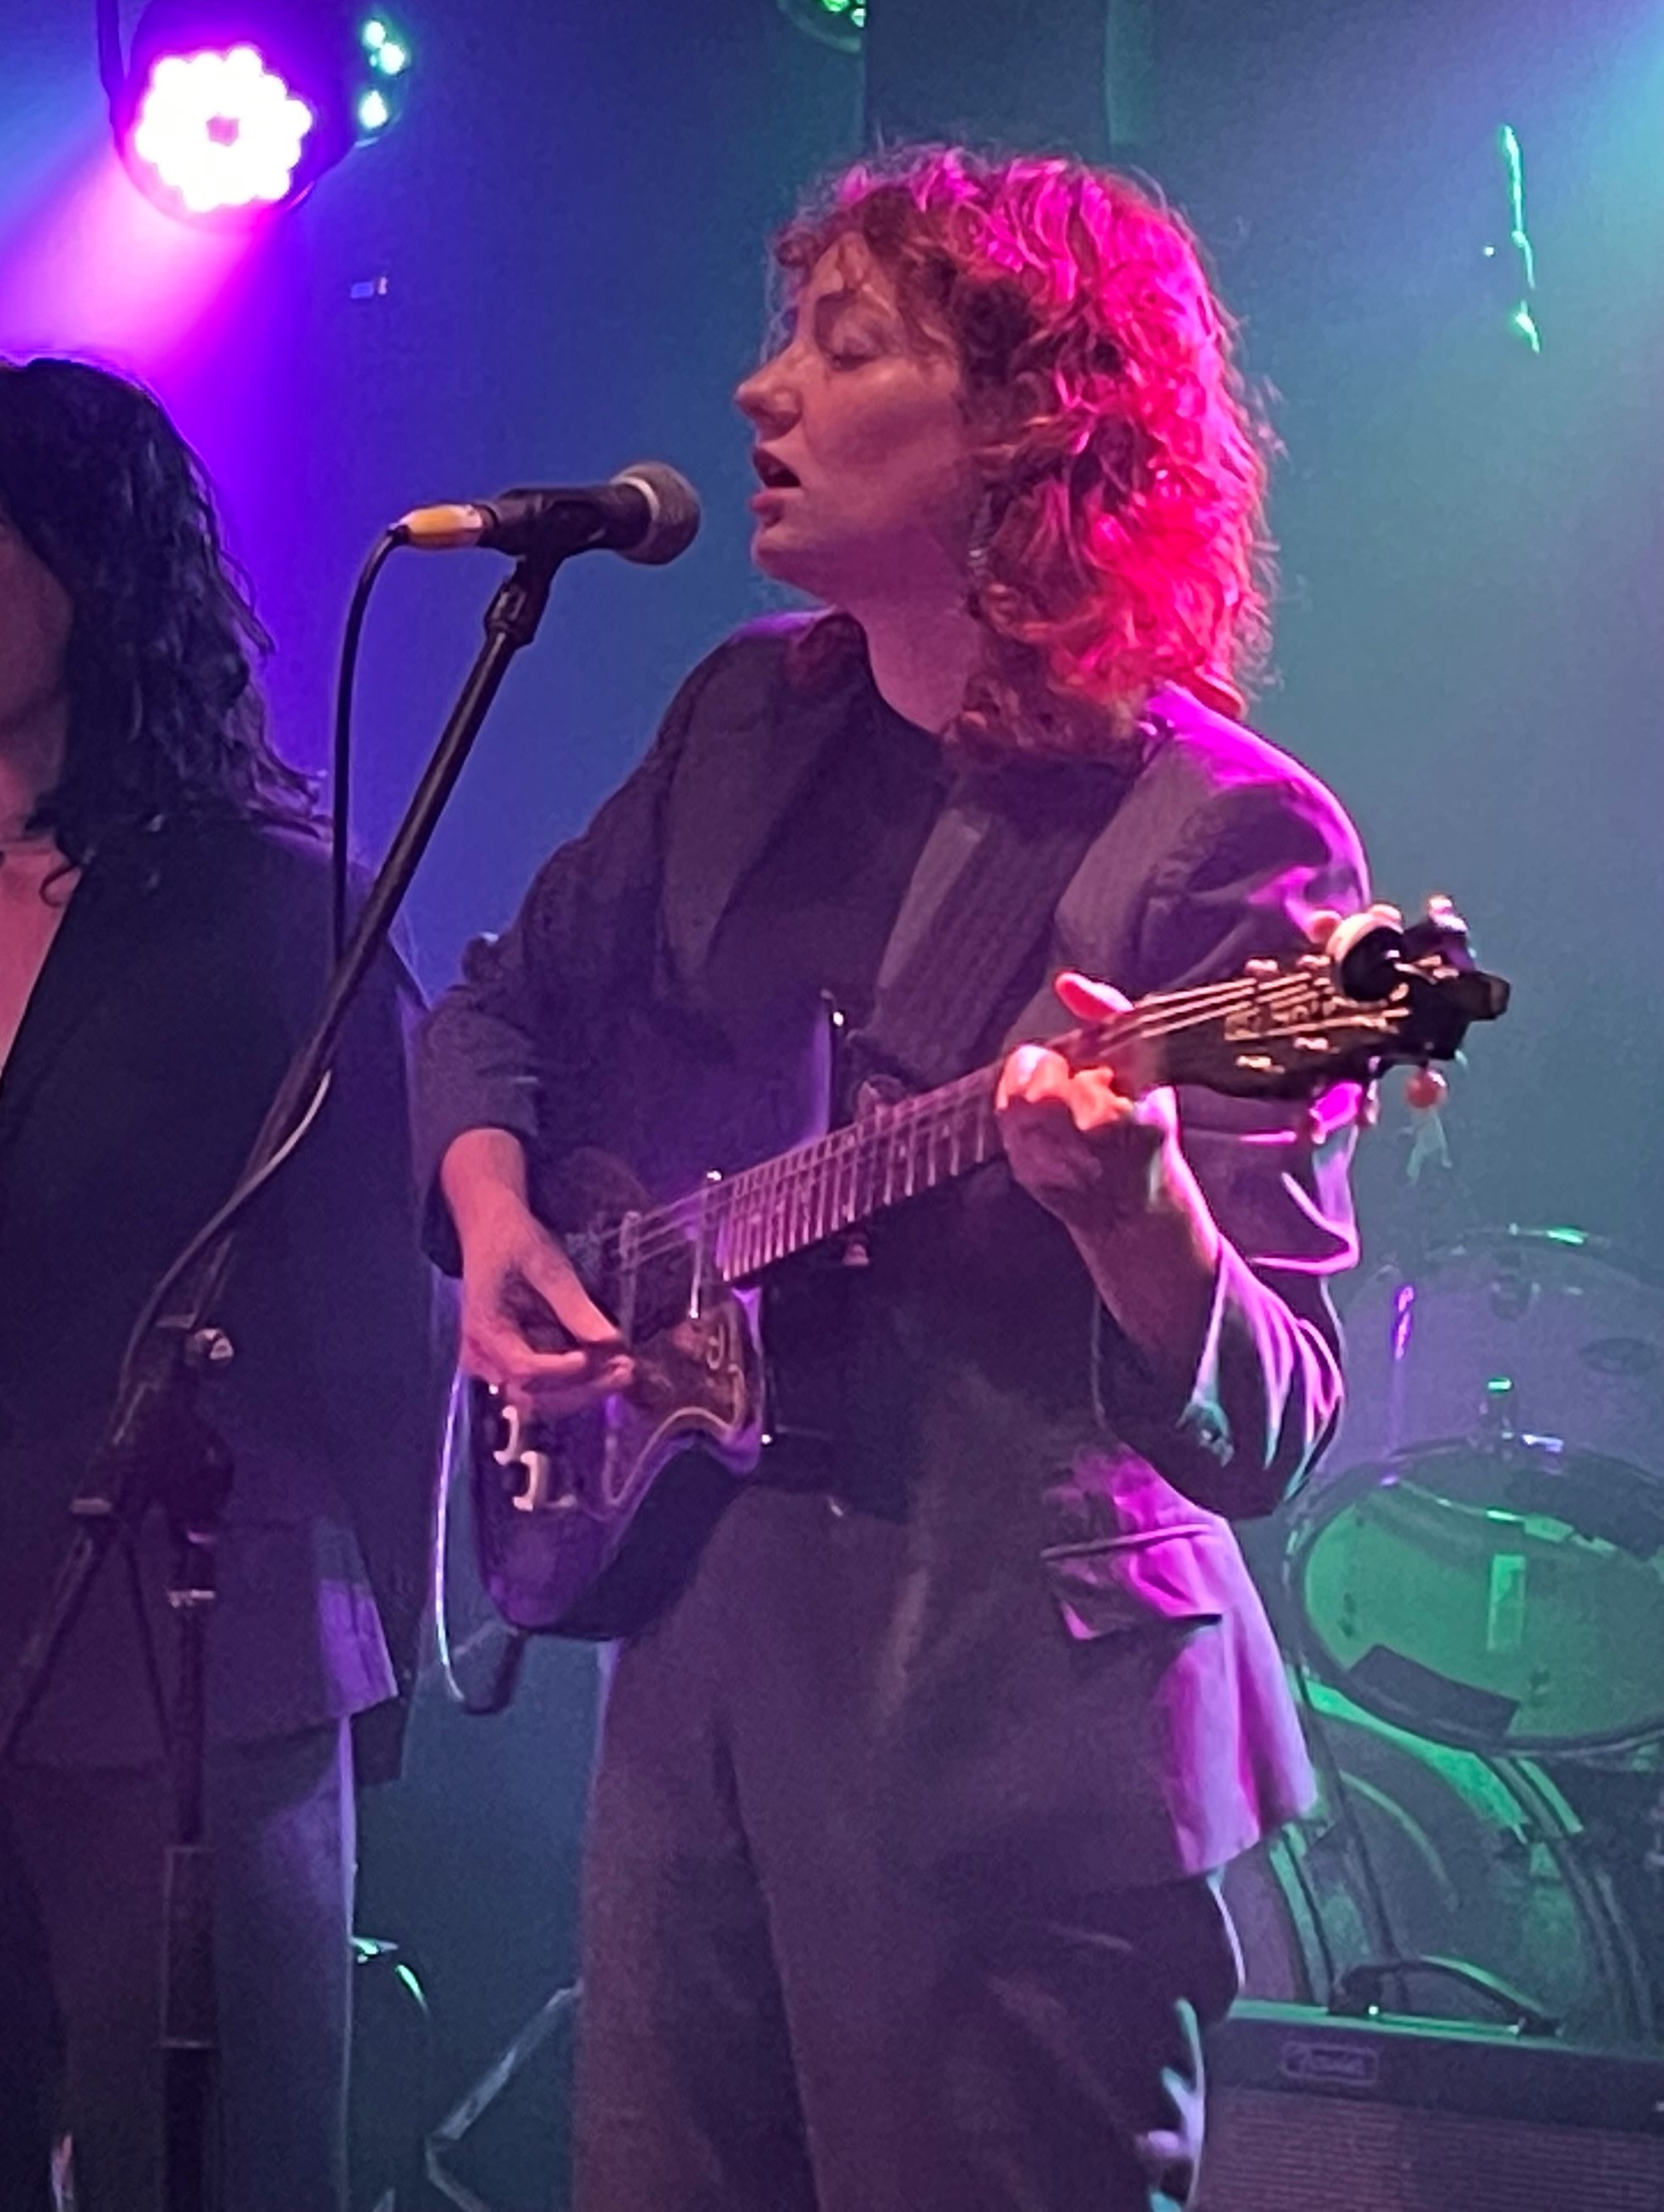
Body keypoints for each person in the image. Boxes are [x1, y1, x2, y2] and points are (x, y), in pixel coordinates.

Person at [419, 149, 1365, 2208]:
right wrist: (497, 1222)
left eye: (846, 348)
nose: (763, 394)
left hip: (1014, 1744)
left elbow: (1280, 1405)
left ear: (1032, 432)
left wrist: (1140, 1213)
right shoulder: (747, 719)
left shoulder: (1217, 841)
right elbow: (496, 1009)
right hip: (698, 1677)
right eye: (785, 338)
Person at [0, 357, 444, 2212]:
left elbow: (385, 1315)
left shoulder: (278, 903)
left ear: (100, 581)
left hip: (195, 1667)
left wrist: (359, 1666)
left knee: (203, 2176)